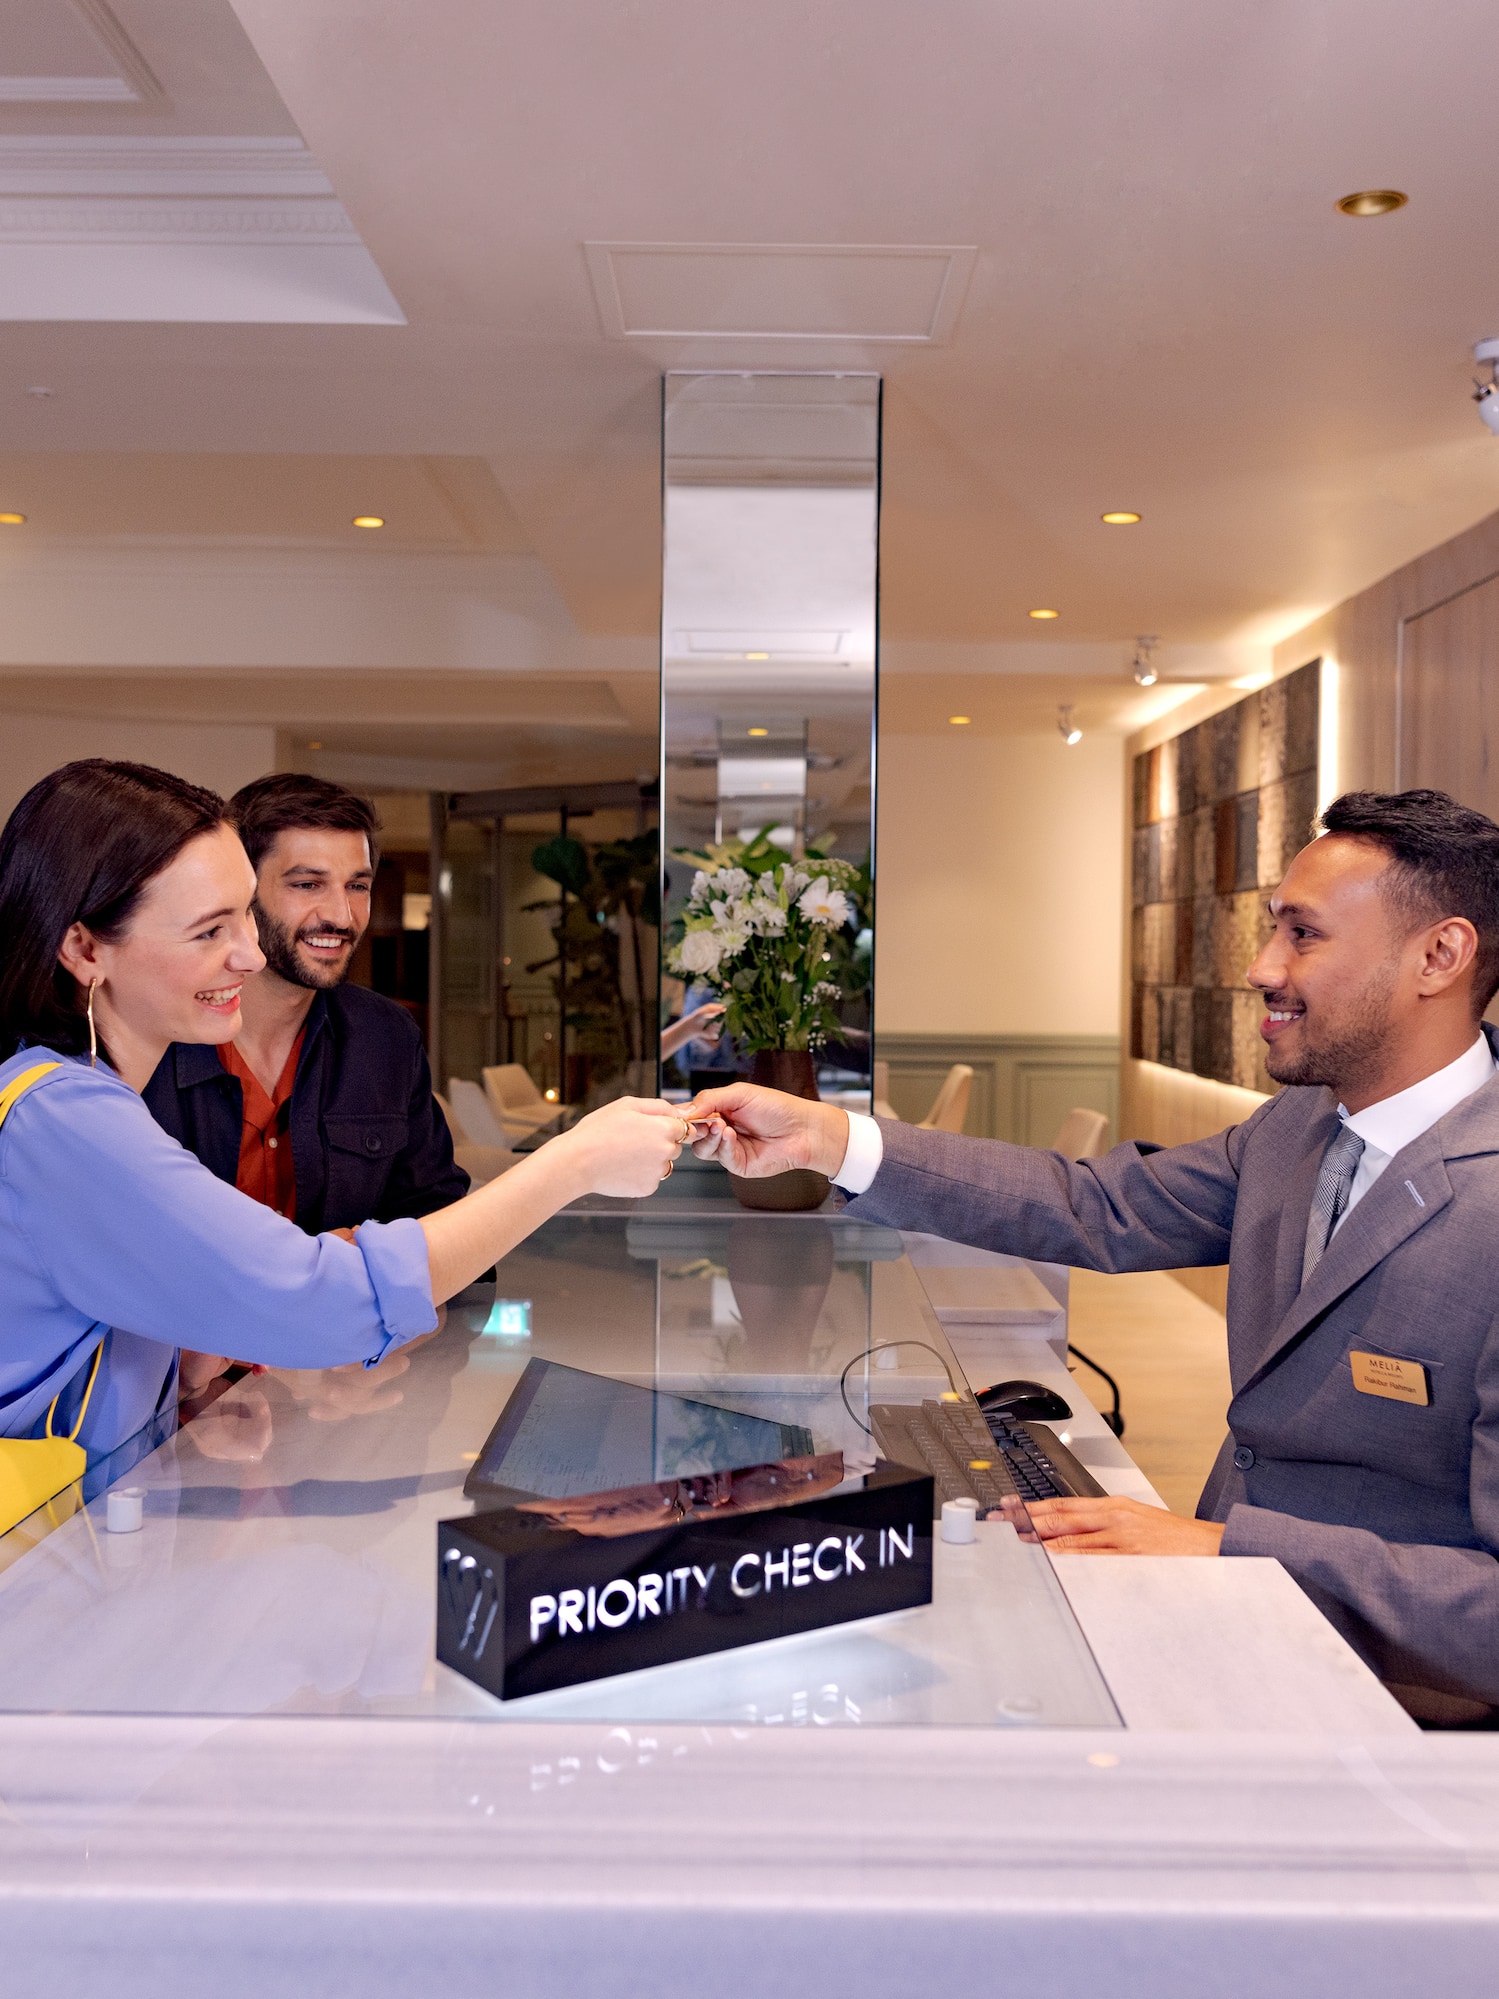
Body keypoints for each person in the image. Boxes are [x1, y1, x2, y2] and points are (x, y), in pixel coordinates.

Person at [688, 789, 1499, 1721]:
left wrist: (1225, 1548)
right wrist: (831, 1139)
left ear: (1439, 955)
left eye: (1302, 935)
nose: (1260, 966)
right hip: (1216, 1625)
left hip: (1390, 1711)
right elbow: (1093, 1205)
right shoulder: (1294, 1129)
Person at [0, 760, 692, 1462]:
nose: (248, 955)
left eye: (244, 916)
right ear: (85, 949)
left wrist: (176, 1385)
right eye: (209, 931)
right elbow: (325, 1300)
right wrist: (573, 1163)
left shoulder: (65, 1099)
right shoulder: (67, 1120)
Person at [142, 772, 466, 1234]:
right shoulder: (151, 1032)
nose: (341, 915)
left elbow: (439, 1217)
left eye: (357, 886)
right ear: (241, 890)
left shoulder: (387, 1038)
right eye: (308, 884)